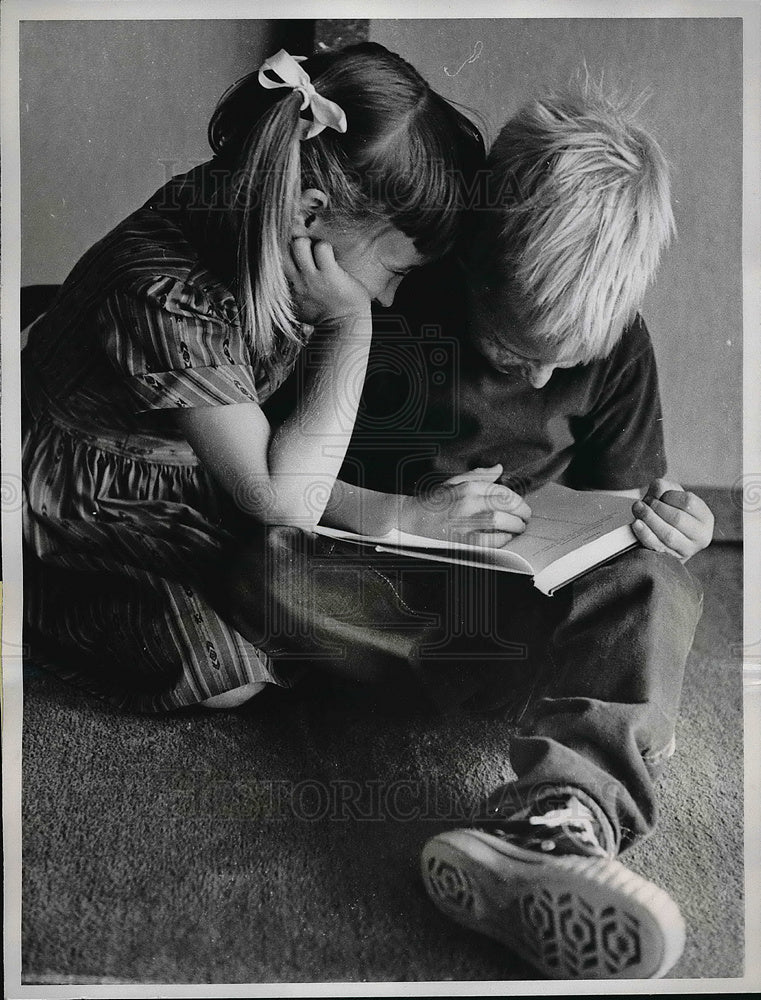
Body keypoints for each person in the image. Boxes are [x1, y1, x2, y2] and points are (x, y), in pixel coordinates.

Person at [22, 42, 506, 713]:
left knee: (295, 587)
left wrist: (407, 514)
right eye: (393, 273)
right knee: (229, 669)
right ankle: (23, 604)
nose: (391, 301)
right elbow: (284, 505)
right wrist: (348, 327)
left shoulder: (261, 214)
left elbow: (270, 463)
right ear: (308, 214)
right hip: (74, 509)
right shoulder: (165, 298)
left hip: (198, 471)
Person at [352, 82, 712, 980]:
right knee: (257, 561)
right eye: (518, 353)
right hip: (379, 591)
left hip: (512, 616)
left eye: (567, 362)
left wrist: (671, 523)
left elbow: (615, 511)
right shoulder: (402, 296)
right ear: (473, 261)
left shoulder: (619, 344)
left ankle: (558, 816)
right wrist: (413, 510)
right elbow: (304, 480)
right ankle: (610, 708)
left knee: (655, 584)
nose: (543, 371)